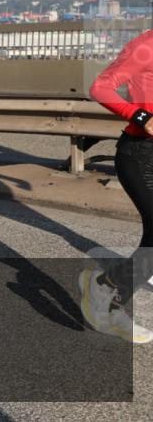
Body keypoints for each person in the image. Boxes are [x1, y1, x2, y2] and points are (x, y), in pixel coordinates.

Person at [81, 30, 153, 344]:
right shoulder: (145, 47)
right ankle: (102, 286)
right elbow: (100, 87)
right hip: (141, 155)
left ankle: (113, 305)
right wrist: (143, 116)